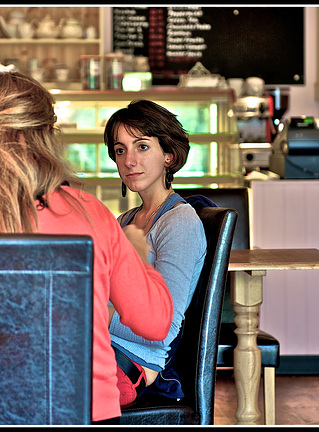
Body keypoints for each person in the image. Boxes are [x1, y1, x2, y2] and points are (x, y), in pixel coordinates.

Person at [0, 72, 173, 424]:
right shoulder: (91, 215)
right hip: (81, 414)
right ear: (48, 135)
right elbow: (155, 323)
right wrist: (137, 253)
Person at [103, 99, 207, 406]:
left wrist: (90, 313)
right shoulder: (126, 221)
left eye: (142, 147)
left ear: (169, 156)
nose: (129, 160)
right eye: (120, 150)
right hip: (101, 347)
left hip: (128, 365)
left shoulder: (179, 223)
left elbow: (162, 330)